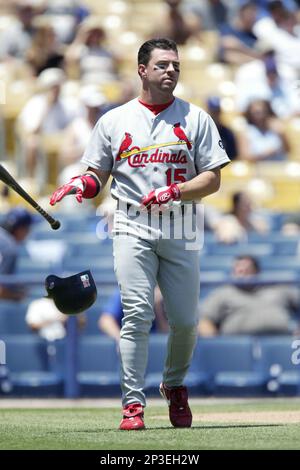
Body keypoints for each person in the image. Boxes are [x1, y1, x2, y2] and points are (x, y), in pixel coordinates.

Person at [49, 38, 230, 430]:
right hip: (131, 222)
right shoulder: (113, 121)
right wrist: (83, 184)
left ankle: (175, 384)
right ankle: (133, 404)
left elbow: (213, 179)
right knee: (137, 314)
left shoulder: (195, 118)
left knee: (184, 320)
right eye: (163, 65)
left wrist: (177, 190)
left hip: (181, 223)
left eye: (176, 66)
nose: (171, 71)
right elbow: (97, 175)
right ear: (142, 70)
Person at [198, 255, 300, 336]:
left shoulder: (279, 288)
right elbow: (205, 320)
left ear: (257, 272)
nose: (242, 274)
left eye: (247, 270)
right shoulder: (223, 292)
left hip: (281, 342)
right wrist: (215, 345)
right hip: (236, 347)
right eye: (238, 271)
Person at [99, 286, 169, 343]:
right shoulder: (125, 291)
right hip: (126, 351)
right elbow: (105, 321)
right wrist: (121, 340)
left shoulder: (164, 297)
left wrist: (157, 307)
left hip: (153, 352)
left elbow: (164, 336)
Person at [0, 207, 34, 300]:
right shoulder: (9, 247)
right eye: (27, 228)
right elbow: (1, 290)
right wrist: (18, 296)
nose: (29, 232)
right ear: (20, 229)